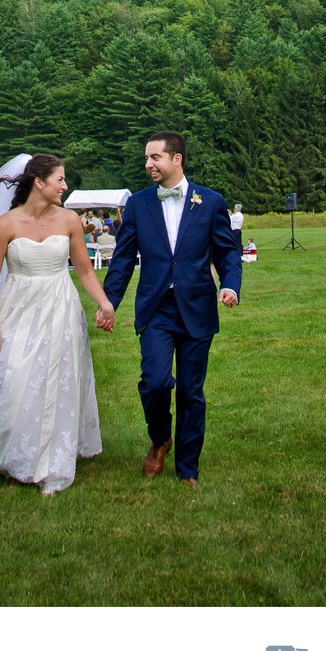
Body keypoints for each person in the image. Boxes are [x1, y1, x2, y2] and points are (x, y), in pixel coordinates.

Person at [0, 153, 116, 495]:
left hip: (61, 308)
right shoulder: (7, 224)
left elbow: (85, 271)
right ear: (39, 182)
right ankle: (7, 451)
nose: (65, 186)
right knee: (11, 381)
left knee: (54, 383)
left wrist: (105, 304)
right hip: (18, 308)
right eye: (60, 179)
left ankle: (46, 460)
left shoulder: (70, 220)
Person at [101, 131, 241, 486]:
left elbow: (227, 250)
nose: (148, 164)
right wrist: (109, 302)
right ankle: (160, 437)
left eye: (154, 158)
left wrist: (229, 284)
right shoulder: (138, 204)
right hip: (156, 308)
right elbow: (122, 259)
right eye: (147, 159)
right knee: (156, 383)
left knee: (192, 391)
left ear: (176, 159)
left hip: (197, 306)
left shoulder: (209, 202)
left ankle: (188, 468)